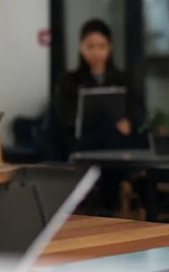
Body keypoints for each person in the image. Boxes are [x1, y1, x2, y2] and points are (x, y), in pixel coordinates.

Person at [52, 19, 147, 214]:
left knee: (125, 143)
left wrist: (128, 123)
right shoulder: (69, 81)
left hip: (115, 141)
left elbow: (134, 112)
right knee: (103, 144)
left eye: (101, 46)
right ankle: (104, 205)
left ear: (109, 48)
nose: (96, 52)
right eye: (90, 46)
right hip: (83, 141)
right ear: (81, 48)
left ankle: (109, 205)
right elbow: (63, 118)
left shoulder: (122, 79)